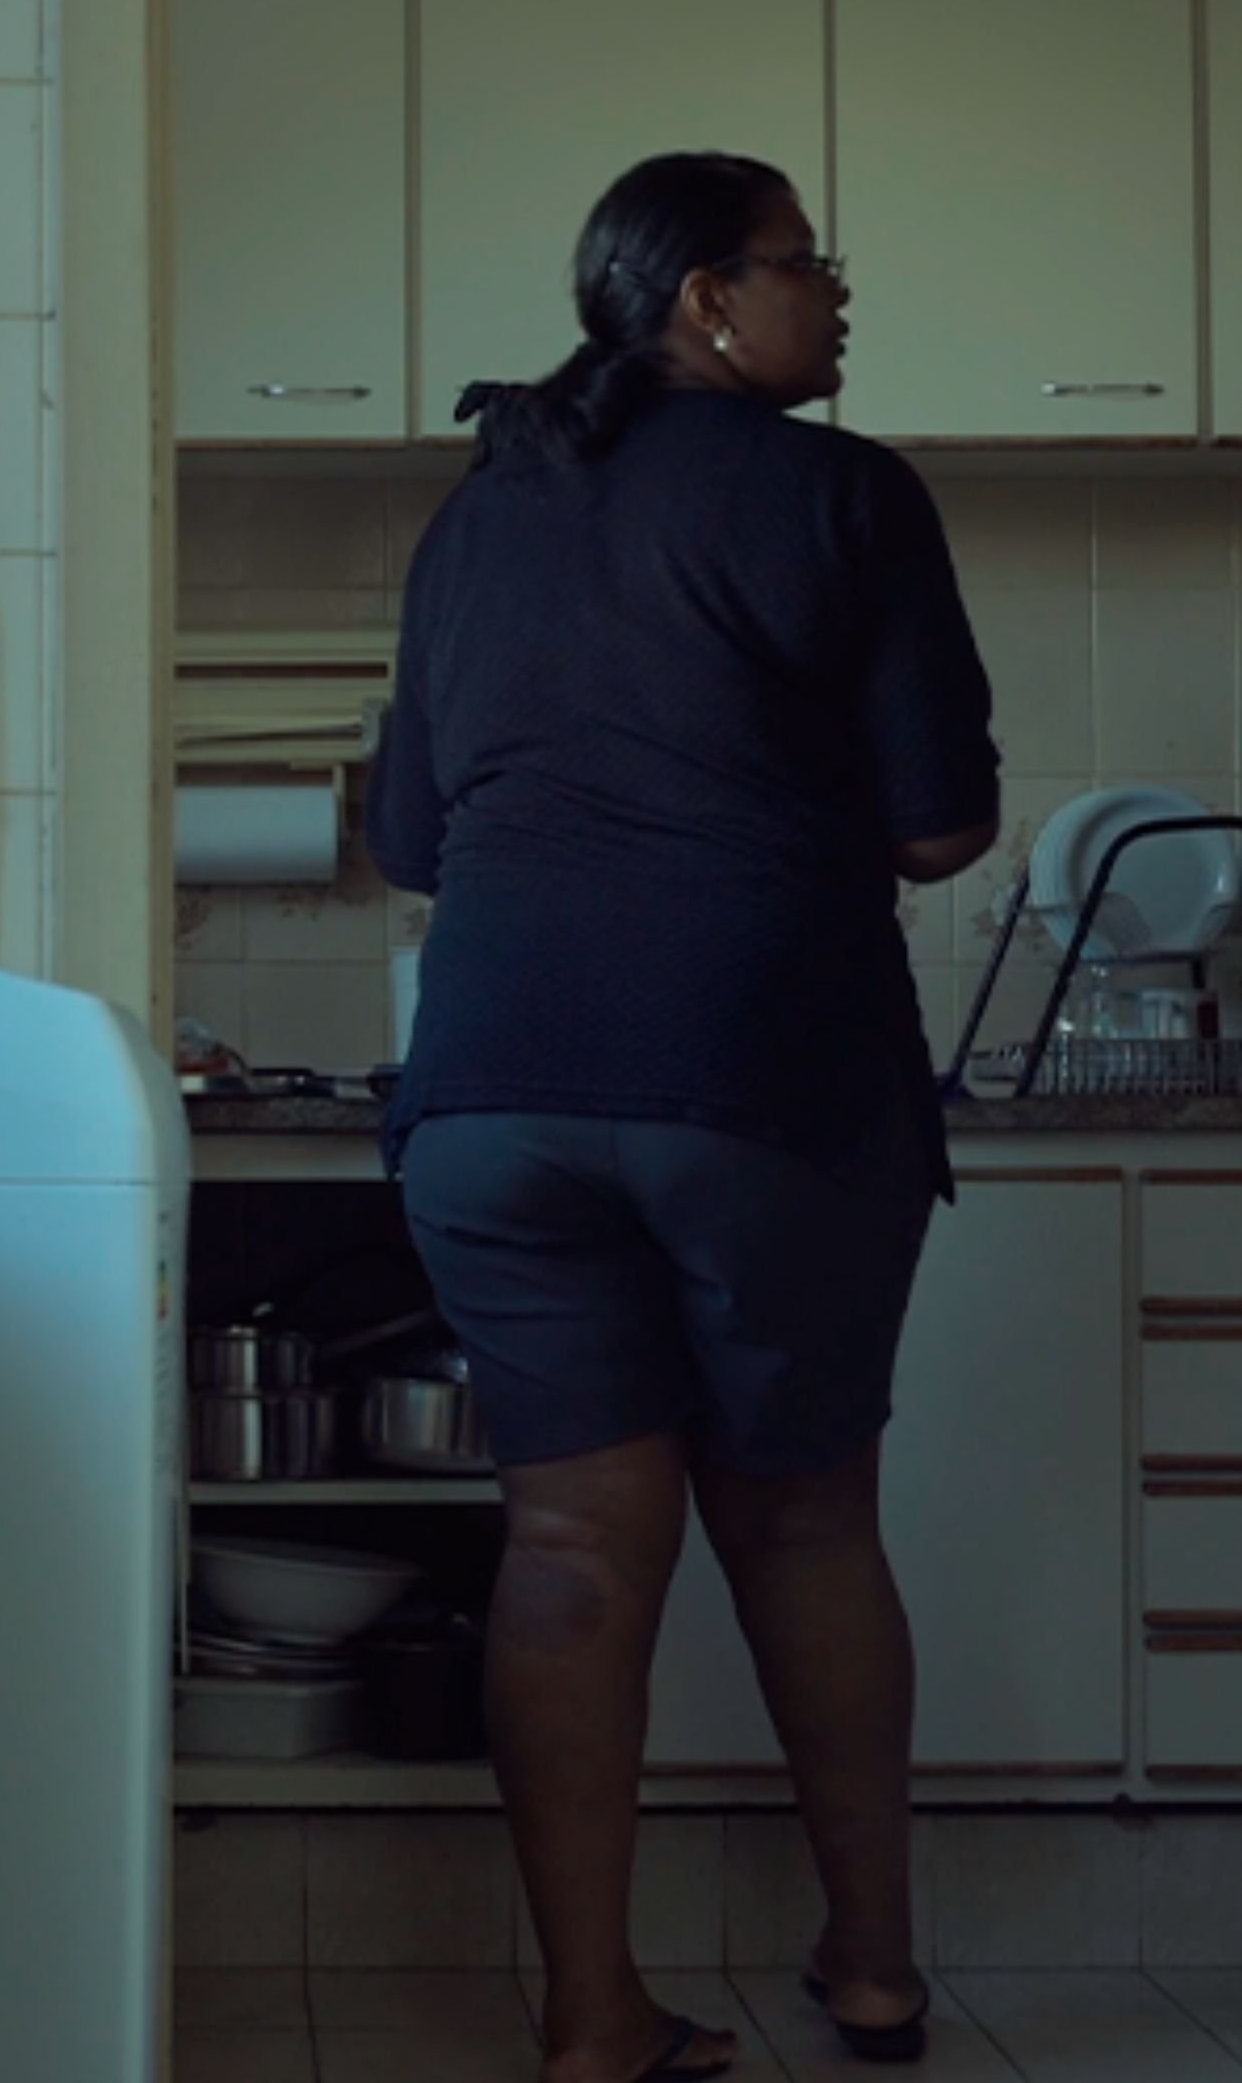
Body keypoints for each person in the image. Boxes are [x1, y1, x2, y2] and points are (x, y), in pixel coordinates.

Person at [368, 150, 1001, 2083]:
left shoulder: (476, 515)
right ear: (709, 299)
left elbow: (412, 842)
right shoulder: (844, 493)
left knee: (566, 1539)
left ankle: (592, 2021)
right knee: (802, 1524)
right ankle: (873, 1974)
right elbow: (940, 828)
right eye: (809, 262)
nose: (839, 292)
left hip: (489, 1092)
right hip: (759, 1073)